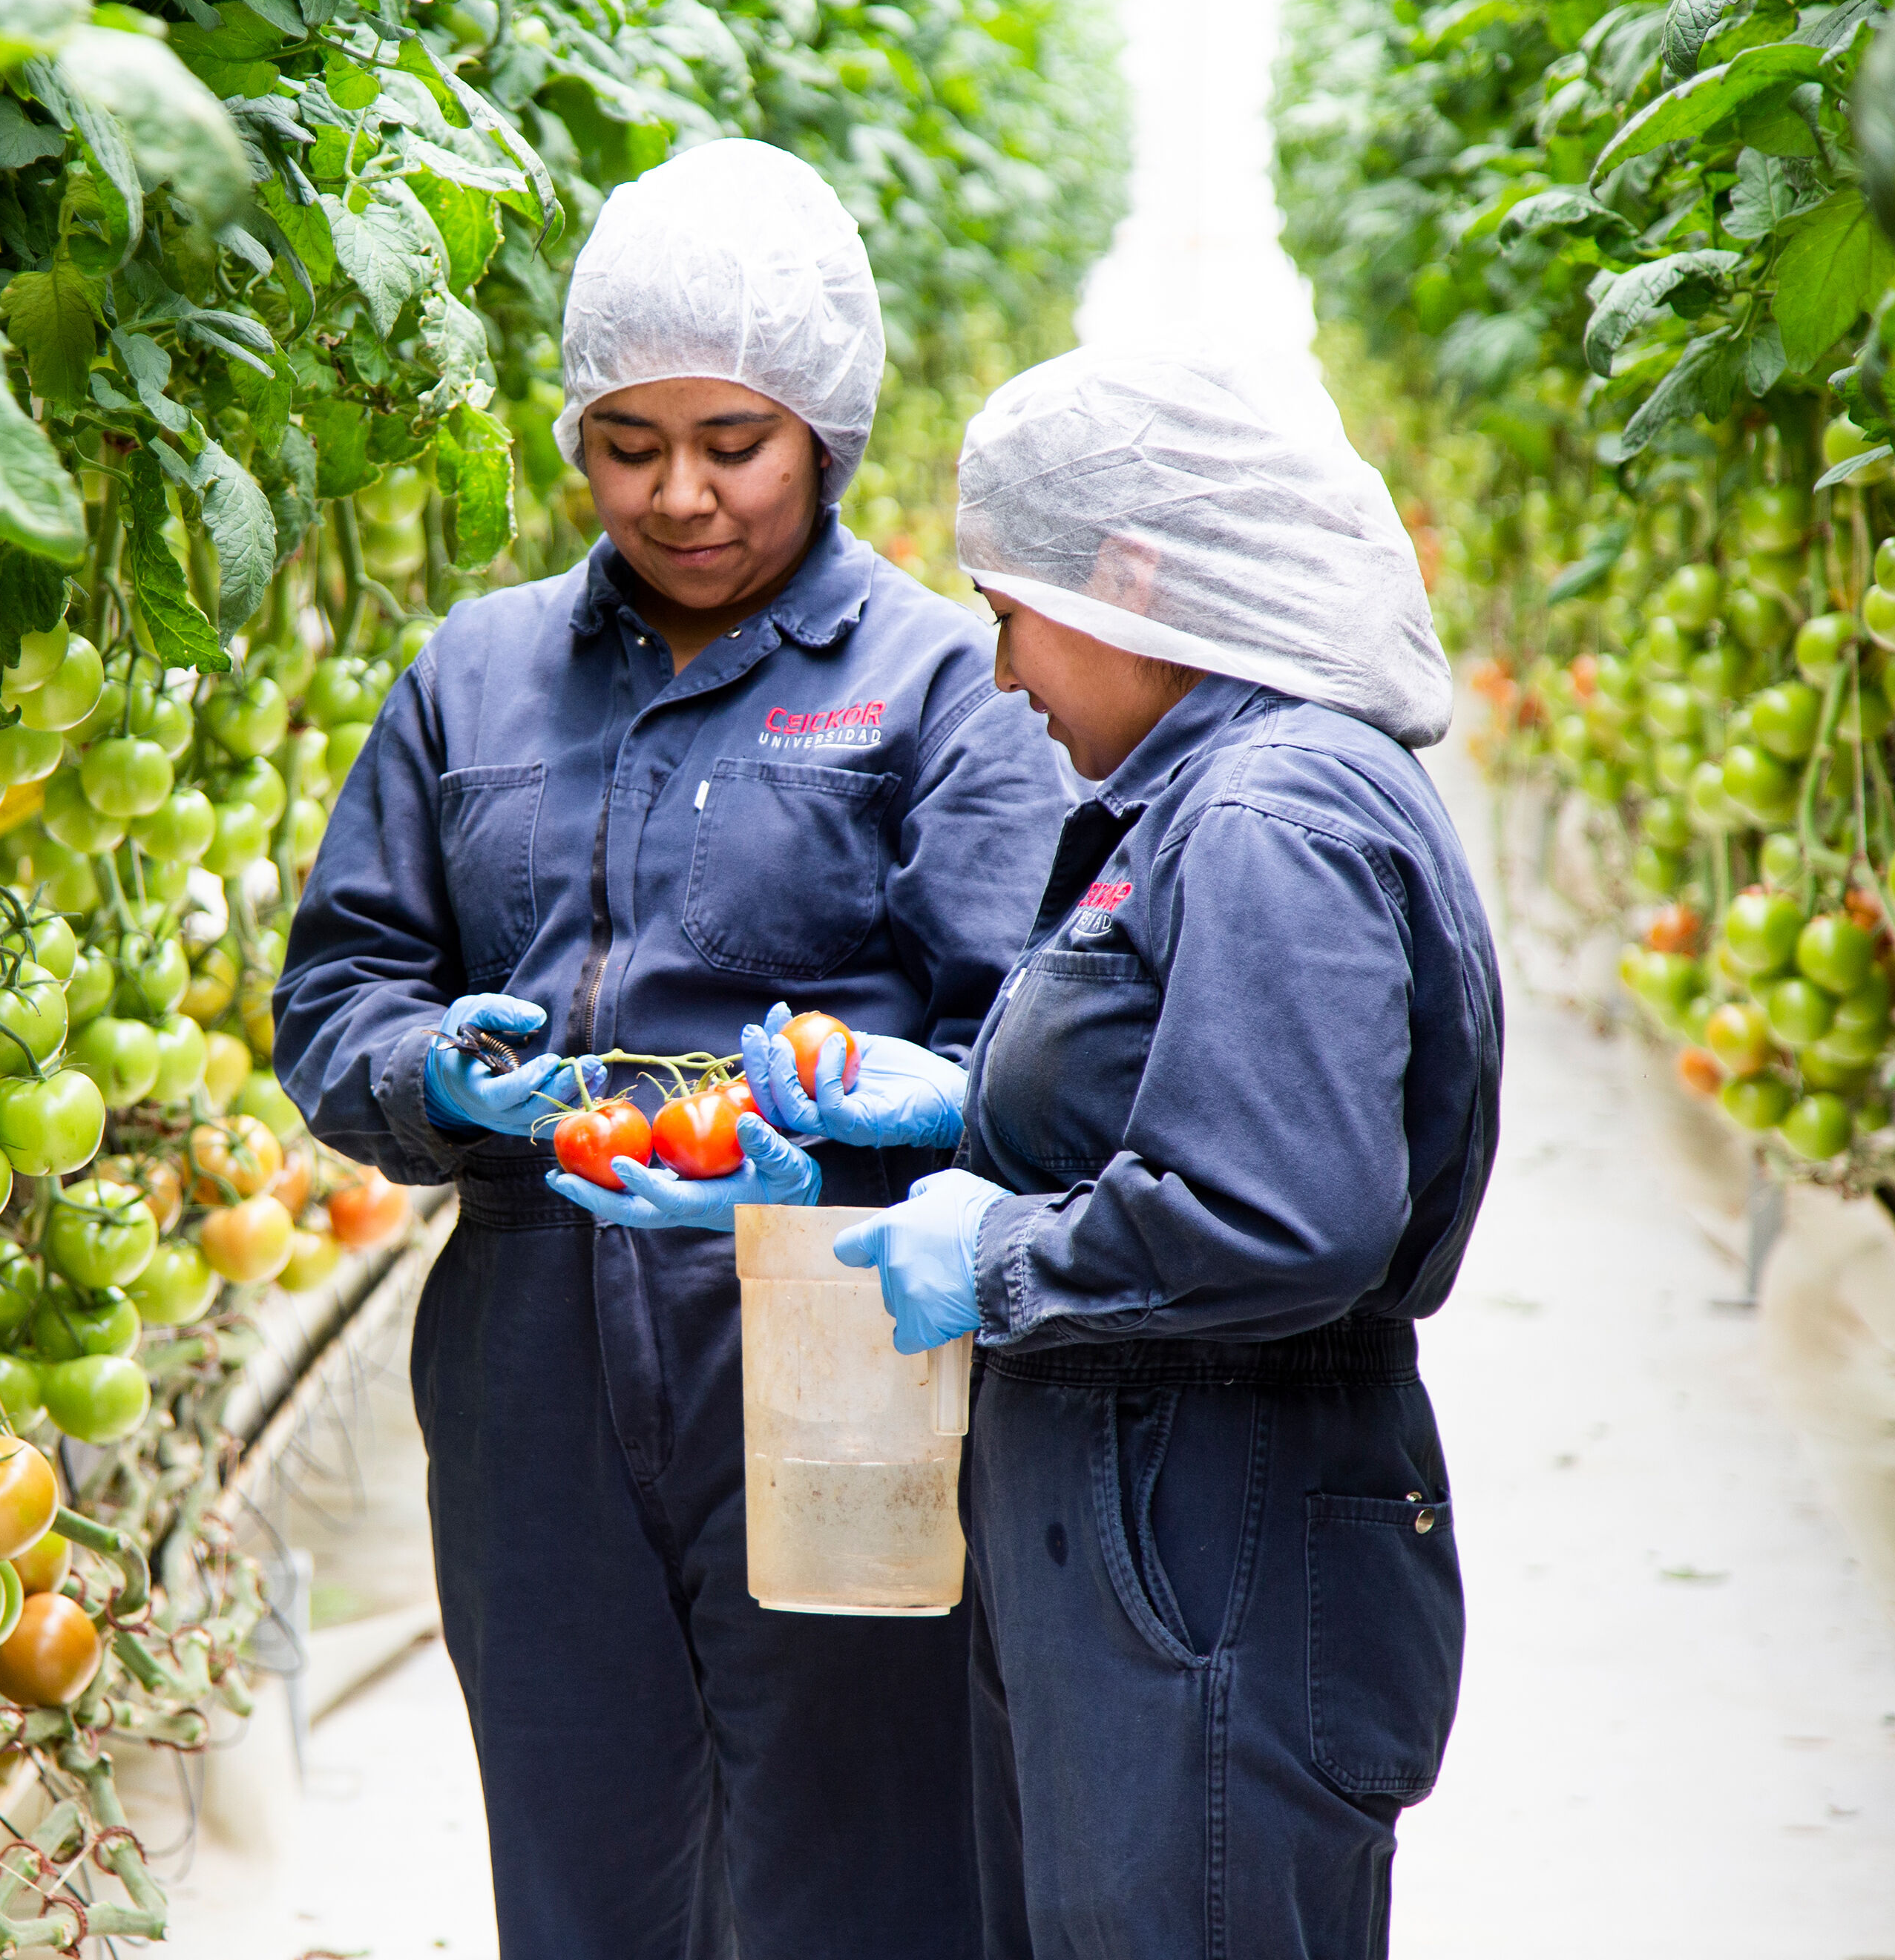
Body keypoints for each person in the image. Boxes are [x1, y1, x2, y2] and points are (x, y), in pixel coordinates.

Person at [271, 138, 1071, 1959]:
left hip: (838, 1324)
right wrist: (433, 1078)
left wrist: (865, 1131)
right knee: (577, 1852)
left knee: (863, 1856)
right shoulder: (471, 680)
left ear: (827, 433)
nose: (684, 495)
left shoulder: (939, 685)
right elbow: (339, 995)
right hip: (531, 1345)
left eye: (737, 444)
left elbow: (1026, 1046)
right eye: (632, 445)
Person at [741, 349, 1500, 1958]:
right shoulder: (1205, 794)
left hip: (1209, 1526)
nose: (1003, 671)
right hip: (1164, 1521)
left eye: (1010, 611)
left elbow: (1281, 1213)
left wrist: (998, 1257)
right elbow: (1199, 1087)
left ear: (1131, 580)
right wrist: (962, 1108)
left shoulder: (1266, 813)